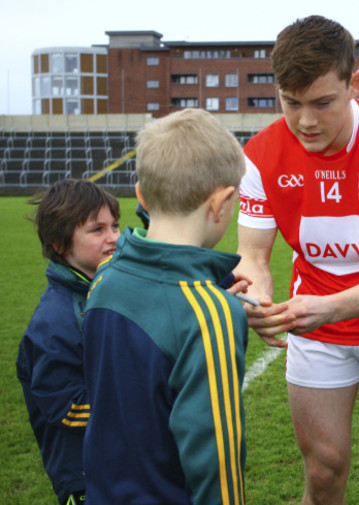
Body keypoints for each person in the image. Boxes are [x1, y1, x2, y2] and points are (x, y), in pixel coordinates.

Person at [236, 15, 359, 505]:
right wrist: (258, 300)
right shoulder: (260, 155)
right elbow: (253, 259)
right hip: (315, 335)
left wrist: (326, 307)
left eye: (323, 103)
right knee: (323, 474)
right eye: (292, 103)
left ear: (355, 84)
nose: (306, 121)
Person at [82, 108, 249, 505]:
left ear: (140, 194)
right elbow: (217, 462)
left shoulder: (104, 278)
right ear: (221, 203)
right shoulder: (211, 315)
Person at [16, 179, 121, 505]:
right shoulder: (55, 321)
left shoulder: (103, 291)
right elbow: (66, 407)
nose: (113, 237)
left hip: (119, 462)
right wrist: (134, 405)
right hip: (86, 477)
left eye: (115, 225)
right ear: (61, 244)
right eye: (97, 230)